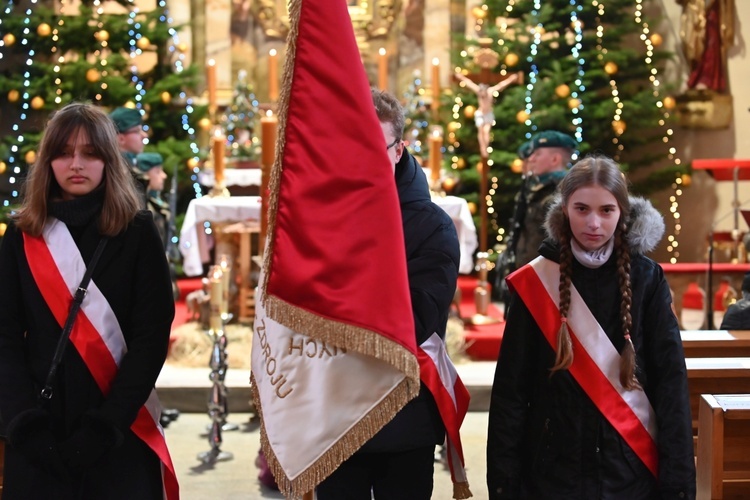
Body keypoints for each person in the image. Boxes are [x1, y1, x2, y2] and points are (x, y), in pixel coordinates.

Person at [487, 155, 696, 499]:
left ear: (622, 213)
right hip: (551, 475)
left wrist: (678, 486)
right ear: (564, 209)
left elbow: (671, 384)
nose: (594, 223)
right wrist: (504, 483)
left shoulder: (647, 279)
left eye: (606, 210)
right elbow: (511, 392)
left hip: (631, 473)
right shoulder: (537, 281)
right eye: (582, 209)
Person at [0, 102, 178, 498]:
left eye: (90, 153)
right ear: (47, 161)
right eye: (63, 152)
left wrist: (106, 427)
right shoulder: (21, 236)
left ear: (108, 160)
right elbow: (4, 338)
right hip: (37, 431)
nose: (75, 163)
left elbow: (150, 340)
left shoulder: (137, 233)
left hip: (117, 431)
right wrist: (23, 425)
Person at [315, 89, 460, 499]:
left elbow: (414, 319)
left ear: (399, 151)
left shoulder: (432, 226)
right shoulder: (317, 218)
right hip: (332, 412)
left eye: (373, 148)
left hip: (402, 413)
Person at [494, 130, 576, 303]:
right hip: (528, 272)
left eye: (538, 154)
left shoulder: (564, 193)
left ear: (555, 159)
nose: (531, 159)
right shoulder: (532, 189)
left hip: (548, 280)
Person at [454, 71, 521, 158]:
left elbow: (501, 85)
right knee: (480, 130)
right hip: (480, 114)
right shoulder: (478, 90)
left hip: (488, 114)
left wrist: (511, 79)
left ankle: (485, 147)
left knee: (486, 131)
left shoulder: (490, 91)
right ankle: (482, 148)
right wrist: (461, 77)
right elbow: (469, 83)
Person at [110, 106, 149, 207]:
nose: (144, 135)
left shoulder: (130, 168)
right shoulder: (116, 173)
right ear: (120, 138)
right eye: (137, 131)